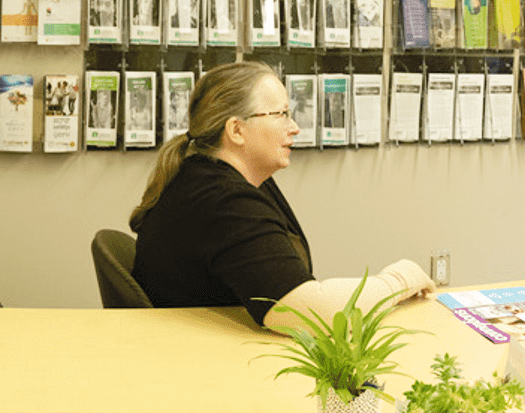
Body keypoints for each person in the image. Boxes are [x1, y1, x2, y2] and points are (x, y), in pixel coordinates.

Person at [131, 61, 434, 330]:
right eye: (282, 115)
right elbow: (311, 312)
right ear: (236, 130)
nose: (295, 128)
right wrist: (399, 281)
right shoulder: (223, 201)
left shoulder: (211, 177)